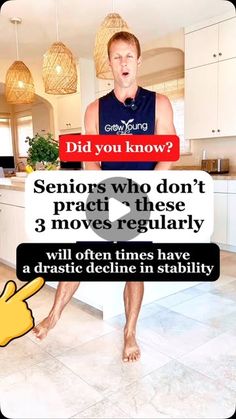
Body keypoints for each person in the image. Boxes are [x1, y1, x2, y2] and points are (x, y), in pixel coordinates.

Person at [33, 31, 176, 362]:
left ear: (138, 61)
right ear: (109, 64)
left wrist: (150, 190)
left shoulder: (160, 103)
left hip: (141, 199)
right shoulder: (95, 109)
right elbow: (90, 159)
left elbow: (167, 150)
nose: (123, 62)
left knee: (135, 267)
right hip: (105, 196)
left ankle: (129, 333)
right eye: (117, 57)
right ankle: (54, 315)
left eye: (129, 56)